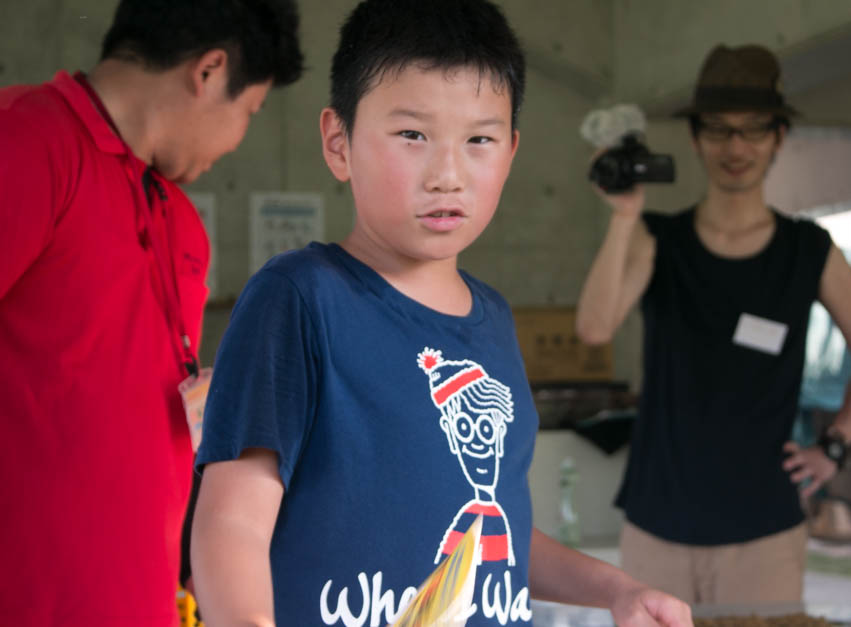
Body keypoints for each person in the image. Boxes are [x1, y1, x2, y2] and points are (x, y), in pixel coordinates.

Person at [189, 1, 692, 626]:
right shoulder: (298, 299)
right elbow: (231, 523)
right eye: (412, 135)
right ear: (339, 143)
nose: (447, 175)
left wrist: (616, 590)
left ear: (510, 152)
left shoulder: (494, 321)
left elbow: (495, 533)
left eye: (479, 140)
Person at [0, 1, 303, 625]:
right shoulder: (28, 144)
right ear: (210, 71)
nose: (239, 139)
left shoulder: (180, 223)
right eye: (249, 112)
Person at [575, 44, 851, 604]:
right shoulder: (657, 238)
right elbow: (595, 329)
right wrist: (624, 217)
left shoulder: (809, 250)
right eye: (719, 129)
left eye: (753, 129)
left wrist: (834, 446)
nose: (736, 146)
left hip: (763, 530)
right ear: (696, 137)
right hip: (658, 523)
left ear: (778, 137)